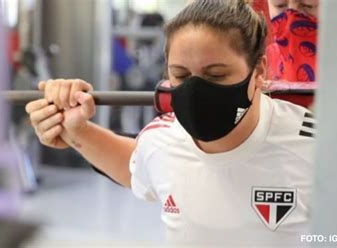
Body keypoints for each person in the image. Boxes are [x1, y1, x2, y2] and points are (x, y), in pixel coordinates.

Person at [25, 0, 315, 246]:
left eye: (216, 75)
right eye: (181, 75)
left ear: (259, 69)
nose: (196, 91)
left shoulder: (313, 145)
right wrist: (76, 130)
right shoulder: (161, 139)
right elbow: (135, 164)